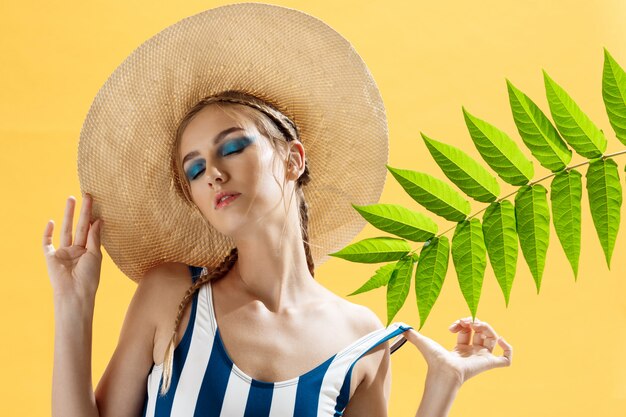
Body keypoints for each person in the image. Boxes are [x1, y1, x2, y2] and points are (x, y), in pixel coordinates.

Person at [42, 4, 513, 417]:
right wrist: (73, 303)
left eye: (232, 147)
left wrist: (442, 386)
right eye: (194, 168)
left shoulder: (360, 338)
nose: (212, 173)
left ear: (293, 159)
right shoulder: (170, 295)